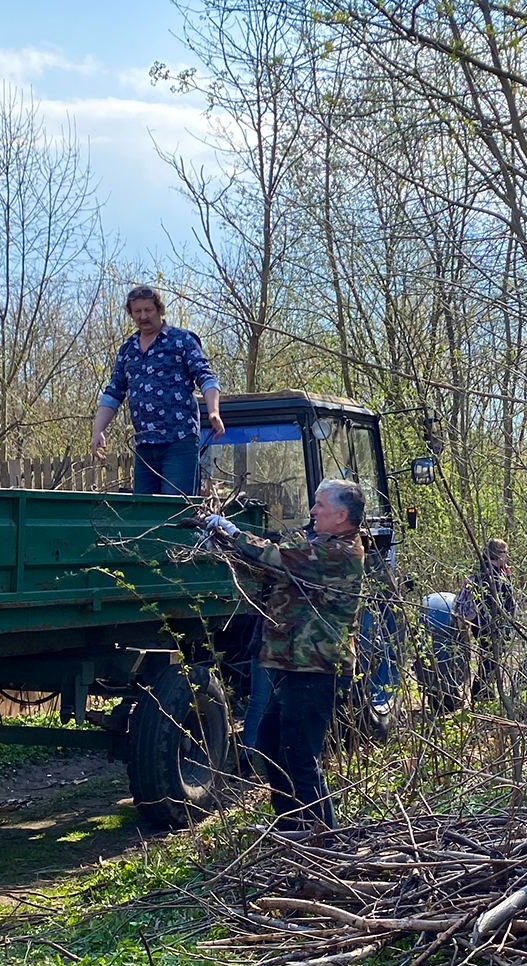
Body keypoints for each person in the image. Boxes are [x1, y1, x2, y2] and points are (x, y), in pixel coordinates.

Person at [205, 480, 366, 832]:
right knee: (271, 738)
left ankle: (323, 839)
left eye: (319, 505)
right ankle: (292, 827)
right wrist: (224, 544)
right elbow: (270, 569)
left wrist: (231, 531)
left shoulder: (340, 554)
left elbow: (279, 556)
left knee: (299, 755)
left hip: (317, 667)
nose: (312, 511)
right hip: (299, 665)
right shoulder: (320, 546)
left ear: (341, 516)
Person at [92, 285, 224, 495]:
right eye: (137, 312)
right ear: (131, 314)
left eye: (148, 310)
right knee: (144, 511)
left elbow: (206, 377)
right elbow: (113, 392)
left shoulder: (181, 340)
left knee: (174, 510)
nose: (143, 316)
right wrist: (97, 430)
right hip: (145, 444)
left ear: (160, 310)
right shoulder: (128, 350)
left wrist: (214, 411)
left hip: (178, 441)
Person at [455, 538, 515, 693]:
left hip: (486, 624)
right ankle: (480, 692)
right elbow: (492, 603)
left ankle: (484, 691)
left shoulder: (495, 571)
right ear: (496, 554)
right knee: (490, 660)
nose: (507, 556)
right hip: (487, 625)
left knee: (491, 659)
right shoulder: (488, 575)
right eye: (505, 552)